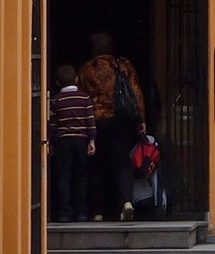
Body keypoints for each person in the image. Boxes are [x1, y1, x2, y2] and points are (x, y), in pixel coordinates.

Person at [78, 32, 146, 222]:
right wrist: (141, 118)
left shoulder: (86, 69)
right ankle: (126, 203)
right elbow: (135, 91)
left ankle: (98, 212)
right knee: (122, 164)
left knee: (96, 166)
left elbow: (82, 97)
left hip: (96, 120)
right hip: (120, 120)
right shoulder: (122, 65)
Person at [48, 64, 96, 223]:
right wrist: (92, 139)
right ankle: (81, 212)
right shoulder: (84, 98)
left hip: (63, 142)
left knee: (63, 177)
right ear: (76, 79)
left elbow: (53, 124)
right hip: (81, 140)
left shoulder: (56, 100)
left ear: (57, 83)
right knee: (81, 176)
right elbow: (90, 121)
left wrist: (52, 142)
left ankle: (64, 213)